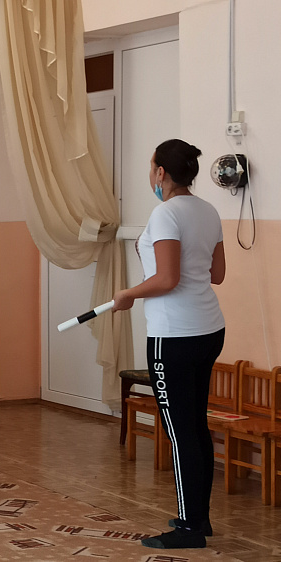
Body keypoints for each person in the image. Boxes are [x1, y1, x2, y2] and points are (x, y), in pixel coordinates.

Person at [112, 139, 225, 550]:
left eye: (151, 168)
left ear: (161, 172)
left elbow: (167, 278)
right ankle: (200, 518)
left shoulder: (165, 213)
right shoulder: (208, 210)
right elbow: (217, 274)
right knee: (195, 425)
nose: (151, 174)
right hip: (209, 329)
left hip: (174, 335)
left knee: (179, 433)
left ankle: (189, 528)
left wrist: (127, 294)